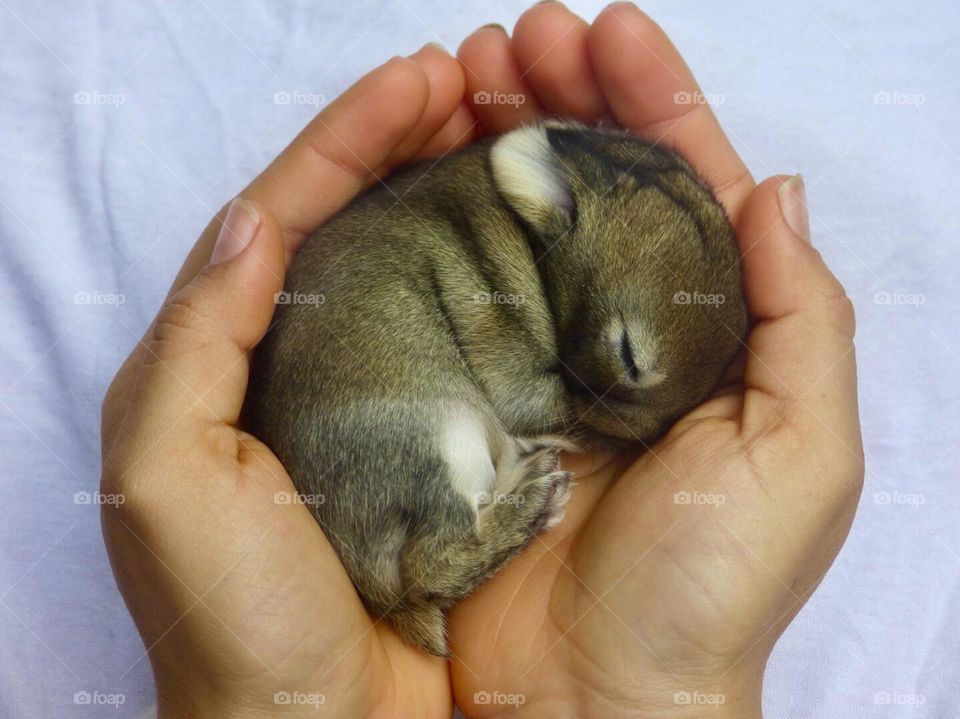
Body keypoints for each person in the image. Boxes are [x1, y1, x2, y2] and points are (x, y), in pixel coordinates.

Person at [99, 3, 864, 717]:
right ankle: (431, 564)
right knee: (436, 428)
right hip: (381, 437)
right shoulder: (492, 262)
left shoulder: (550, 253)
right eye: (631, 360)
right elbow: (506, 383)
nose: (648, 428)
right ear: (548, 211)